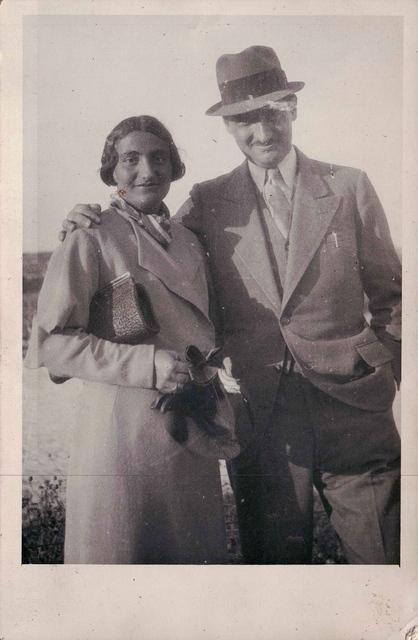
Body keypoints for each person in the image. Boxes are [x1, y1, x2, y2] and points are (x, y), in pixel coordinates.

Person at [60, 46, 401, 565]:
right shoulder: (207, 200)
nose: (261, 132)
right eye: (245, 119)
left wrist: (387, 367)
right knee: (274, 574)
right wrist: (82, 222)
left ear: (293, 109)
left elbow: (392, 294)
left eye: (272, 113)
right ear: (228, 127)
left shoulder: (349, 187)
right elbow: (154, 246)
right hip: (261, 423)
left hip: (355, 412)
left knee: (385, 566)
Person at [26, 115, 241, 564]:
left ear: (174, 166)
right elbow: (50, 344)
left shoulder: (188, 240)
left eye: (159, 157)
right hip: (120, 439)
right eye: (131, 159)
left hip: (191, 431)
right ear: (111, 171)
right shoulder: (90, 235)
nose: (147, 170)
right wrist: (147, 365)